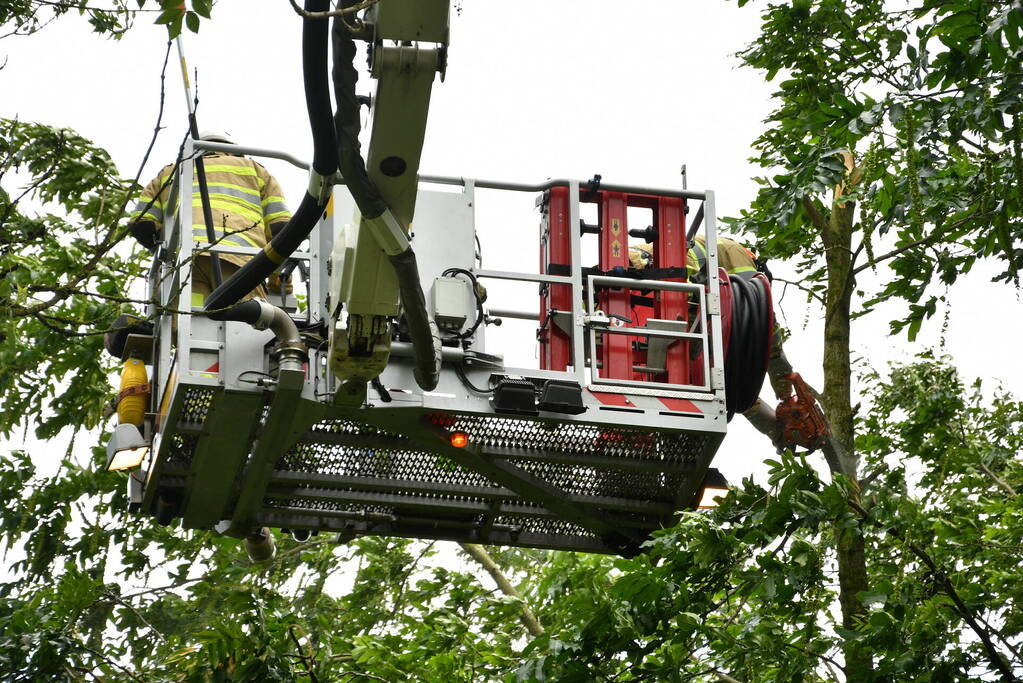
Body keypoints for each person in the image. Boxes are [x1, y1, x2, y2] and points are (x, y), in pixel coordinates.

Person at [629, 236, 807, 445]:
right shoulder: (736, 255)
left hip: (641, 284)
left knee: (712, 380)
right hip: (658, 273)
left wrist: (772, 424)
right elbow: (764, 321)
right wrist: (783, 378)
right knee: (715, 373)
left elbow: (731, 386)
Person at [127, 131, 292, 308]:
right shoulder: (255, 170)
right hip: (242, 265)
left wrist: (166, 253)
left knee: (188, 321)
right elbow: (281, 230)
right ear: (234, 150)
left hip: (184, 264)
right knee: (245, 327)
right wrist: (279, 282)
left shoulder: (170, 172)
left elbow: (142, 225)